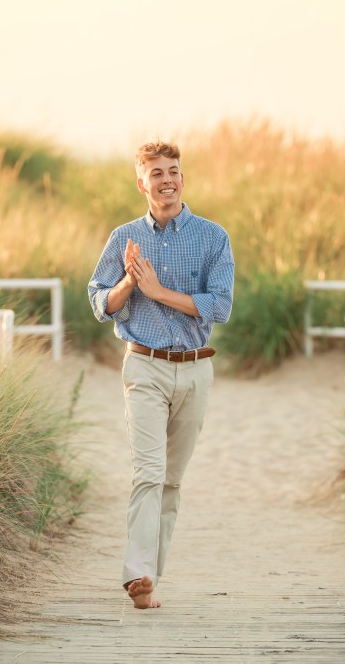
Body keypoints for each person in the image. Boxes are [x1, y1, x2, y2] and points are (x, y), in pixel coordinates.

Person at [87, 141, 234, 609]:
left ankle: (152, 574)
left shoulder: (213, 237)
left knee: (172, 480)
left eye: (173, 171)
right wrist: (130, 283)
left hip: (196, 371)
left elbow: (221, 306)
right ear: (141, 182)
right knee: (148, 472)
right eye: (156, 173)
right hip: (144, 366)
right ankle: (140, 576)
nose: (166, 180)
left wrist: (158, 290)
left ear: (182, 179)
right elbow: (98, 303)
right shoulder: (123, 238)